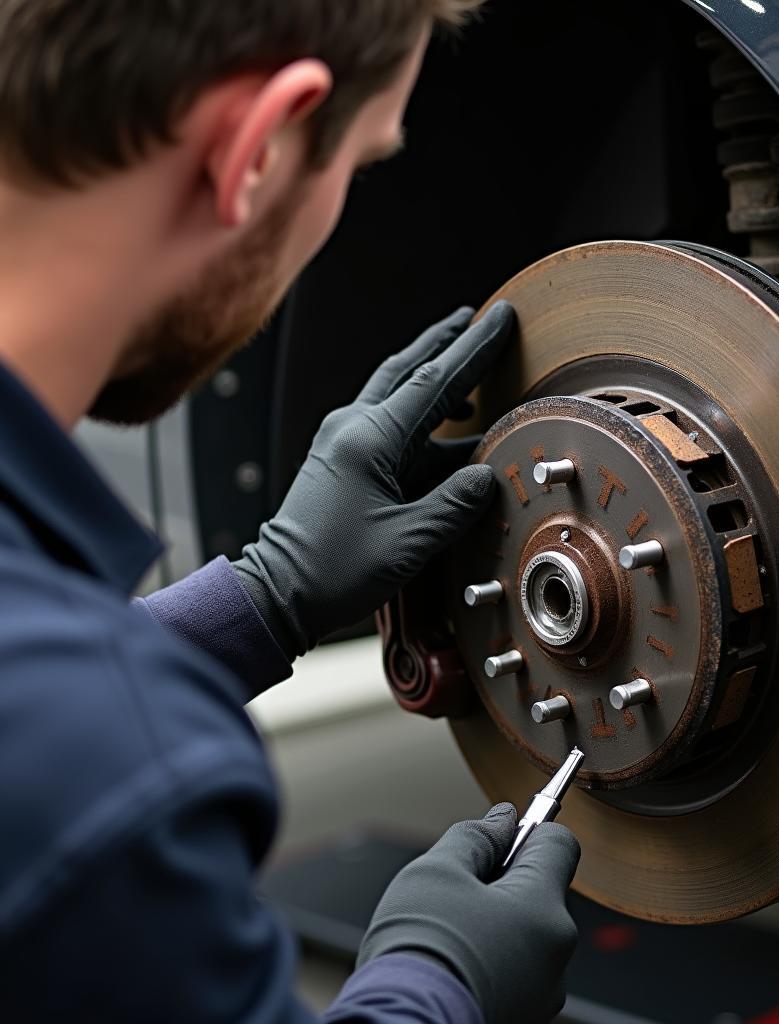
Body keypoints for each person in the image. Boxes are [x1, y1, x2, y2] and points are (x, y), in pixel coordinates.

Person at [0, 2, 580, 1022]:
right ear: (258, 148)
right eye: (357, 163)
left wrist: (265, 593)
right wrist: (436, 987)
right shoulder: (117, 784)